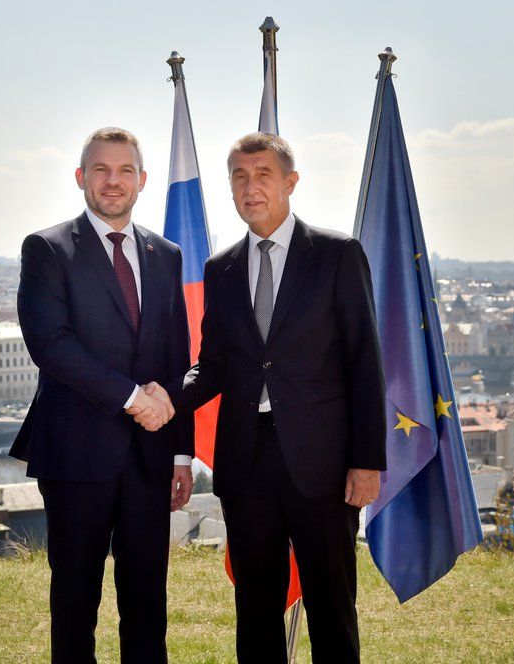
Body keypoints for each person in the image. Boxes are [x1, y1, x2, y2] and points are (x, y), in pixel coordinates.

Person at [138, 132, 387, 663]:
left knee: (332, 607)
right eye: (239, 177)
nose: (251, 187)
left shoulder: (337, 255)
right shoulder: (220, 268)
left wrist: (368, 461)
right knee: (254, 608)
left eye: (263, 175)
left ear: (290, 182)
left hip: (323, 462)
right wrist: (166, 396)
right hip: (247, 462)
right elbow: (214, 366)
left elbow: (365, 361)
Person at [11, 127, 193, 663]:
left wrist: (180, 452)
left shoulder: (167, 253)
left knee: (147, 605)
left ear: (142, 180)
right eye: (100, 170)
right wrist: (134, 398)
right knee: (75, 602)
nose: (113, 181)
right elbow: (51, 345)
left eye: (124, 171)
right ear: (80, 177)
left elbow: (176, 358)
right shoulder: (47, 248)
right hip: (75, 454)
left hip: (150, 459)